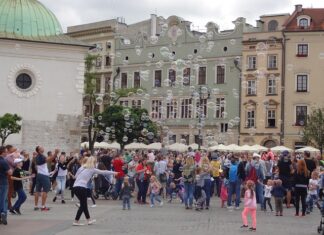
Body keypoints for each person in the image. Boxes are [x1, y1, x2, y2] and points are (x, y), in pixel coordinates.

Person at [73, 156, 117, 226]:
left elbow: (75, 177)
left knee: (83, 205)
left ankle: (86, 220)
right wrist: (114, 173)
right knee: (83, 205)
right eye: (95, 162)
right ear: (93, 162)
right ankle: (78, 221)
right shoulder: (92, 169)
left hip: (75, 187)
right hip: (82, 187)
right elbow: (104, 172)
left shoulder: (81, 168)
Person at [34, 146, 55, 211]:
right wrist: (55, 153)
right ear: (39, 150)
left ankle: (36, 206)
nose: (43, 148)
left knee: (37, 190)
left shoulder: (37, 157)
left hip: (39, 174)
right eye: (41, 148)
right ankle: (43, 206)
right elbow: (49, 159)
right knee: (45, 190)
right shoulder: (41, 156)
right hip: (44, 175)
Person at [0, 146, 12, 225]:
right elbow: (10, 172)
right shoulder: (3, 161)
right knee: (4, 199)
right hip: (3, 182)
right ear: (3, 152)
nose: (7, 153)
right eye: (6, 151)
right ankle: (3, 213)